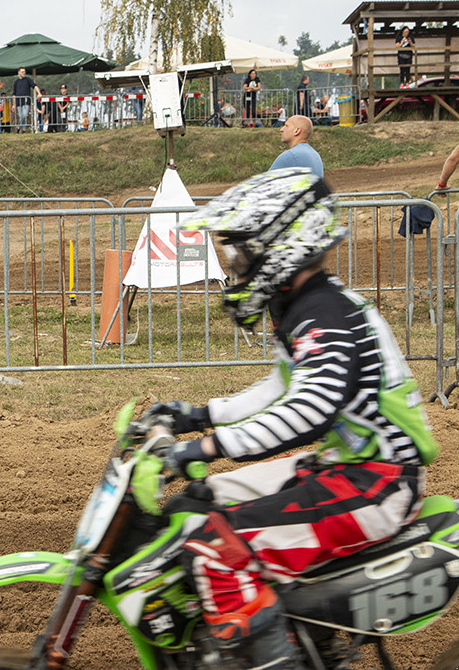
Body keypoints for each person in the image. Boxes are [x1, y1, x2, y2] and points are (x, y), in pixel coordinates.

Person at [150, 168, 436, 669]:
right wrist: (198, 416)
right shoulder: (308, 305)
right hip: (345, 469)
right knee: (196, 503)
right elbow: (283, 387)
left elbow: (311, 408)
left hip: (378, 485)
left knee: (216, 548)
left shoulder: (325, 313)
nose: (234, 264)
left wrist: (208, 447)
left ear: (280, 244)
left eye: (241, 251)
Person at [12, 67, 39, 132]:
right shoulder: (16, 82)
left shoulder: (28, 79)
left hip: (26, 100)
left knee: (25, 114)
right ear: (19, 72)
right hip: (18, 101)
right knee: (21, 116)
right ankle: (23, 129)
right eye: (22, 72)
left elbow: (34, 86)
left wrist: (39, 93)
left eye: (24, 71)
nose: (24, 73)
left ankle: (18, 127)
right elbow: (14, 94)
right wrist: (13, 104)